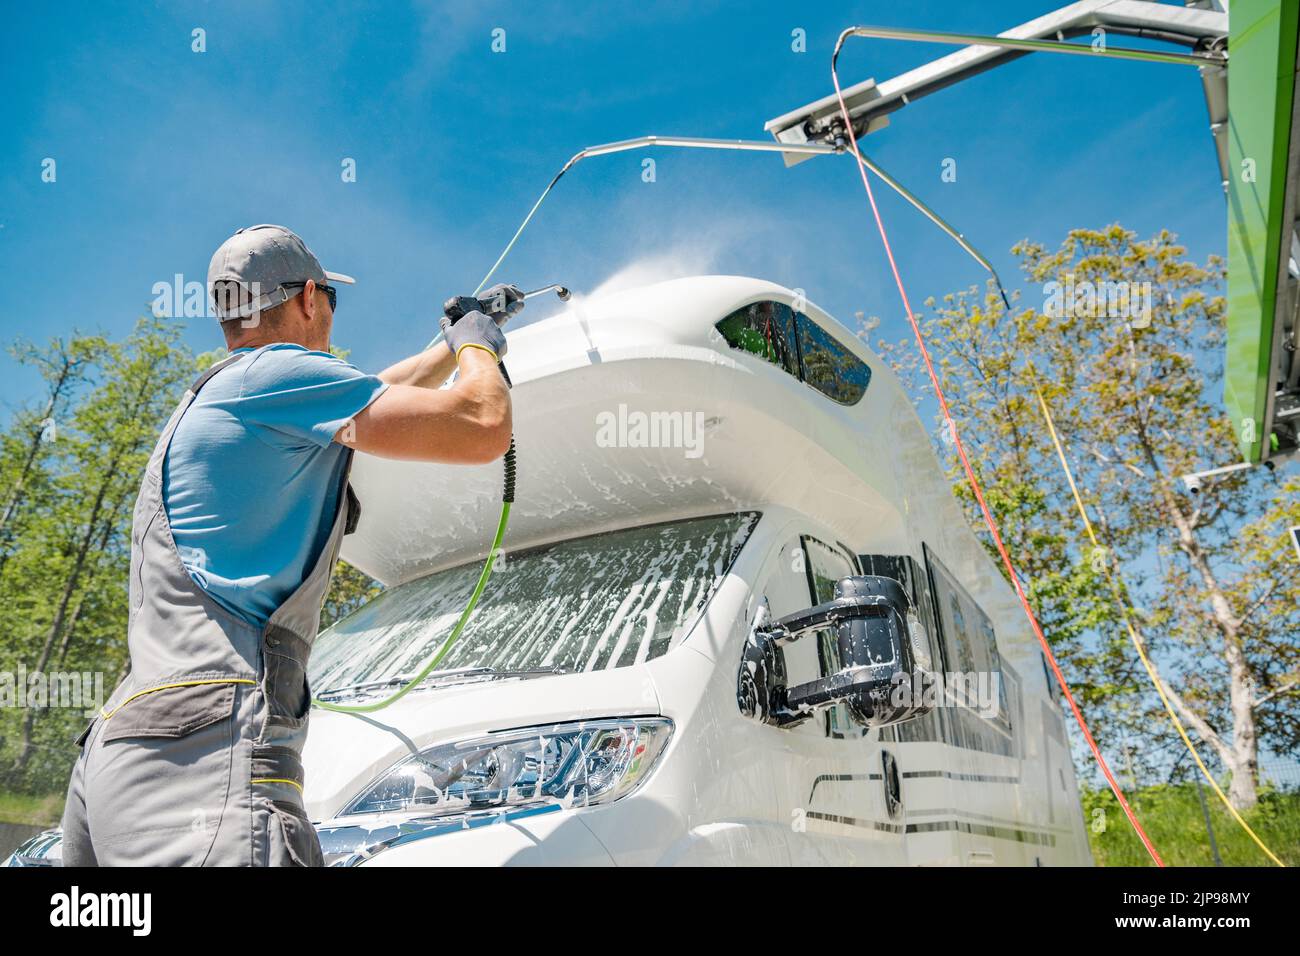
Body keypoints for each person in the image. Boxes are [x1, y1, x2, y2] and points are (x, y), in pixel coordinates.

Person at [59, 224, 517, 865]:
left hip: (121, 756)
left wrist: (449, 346)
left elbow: (374, 394)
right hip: (210, 745)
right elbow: (482, 425)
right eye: (332, 297)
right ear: (308, 297)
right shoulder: (277, 380)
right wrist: (482, 353)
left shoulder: (226, 397)